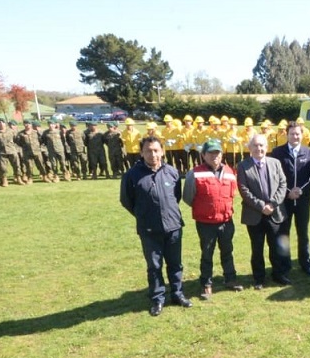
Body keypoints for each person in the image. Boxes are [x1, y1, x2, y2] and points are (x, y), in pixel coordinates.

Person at [120, 136, 192, 316]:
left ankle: (177, 294)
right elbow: (127, 201)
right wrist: (145, 215)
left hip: (173, 227)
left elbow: (175, 196)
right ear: (141, 152)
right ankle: (158, 298)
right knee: (154, 266)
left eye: (156, 150)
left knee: (176, 264)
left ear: (162, 151)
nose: (152, 154)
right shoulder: (132, 175)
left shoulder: (172, 172)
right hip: (149, 230)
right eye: (148, 151)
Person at [183, 139, 243, 300]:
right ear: (203, 155)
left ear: (222, 154)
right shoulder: (194, 173)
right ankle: (206, 284)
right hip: (206, 223)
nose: (214, 156)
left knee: (227, 251)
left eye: (217, 153)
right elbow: (188, 197)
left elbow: (232, 195)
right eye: (210, 153)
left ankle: (230, 279)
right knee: (207, 253)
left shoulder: (230, 172)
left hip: (226, 220)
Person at [237, 134, 290, 288]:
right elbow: (244, 190)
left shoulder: (275, 163)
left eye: (261, 145)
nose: (259, 148)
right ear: (249, 148)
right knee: (257, 248)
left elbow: (282, 183)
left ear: (266, 147)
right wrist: (262, 206)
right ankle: (259, 278)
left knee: (276, 247)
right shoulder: (243, 166)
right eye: (255, 145)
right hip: (254, 215)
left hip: (275, 213)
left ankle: (278, 274)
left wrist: (272, 204)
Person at [270, 122, 310, 275]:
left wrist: (301, 190)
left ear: (302, 135)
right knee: (284, 233)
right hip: (284, 200)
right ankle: (285, 265)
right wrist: (288, 192)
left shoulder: (309, 152)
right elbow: (275, 176)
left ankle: (306, 263)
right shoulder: (277, 152)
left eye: (298, 134)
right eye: (292, 134)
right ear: (287, 134)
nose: (295, 136)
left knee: (303, 233)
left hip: (303, 200)